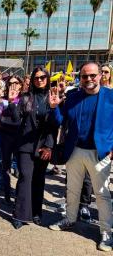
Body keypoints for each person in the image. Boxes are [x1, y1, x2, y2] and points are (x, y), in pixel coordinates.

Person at [48, 62, 113, 252]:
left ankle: (106, 234)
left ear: (101, 75)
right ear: (80, 78)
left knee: (102, 195)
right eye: (85, 76)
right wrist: (54, 107)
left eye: (92, 75)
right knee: (72, 189)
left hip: (100, 153)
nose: (89, 79)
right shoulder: (74, 97)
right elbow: (61, 121)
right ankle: (69, 219)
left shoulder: (110, 97)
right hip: (75, 150)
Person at [11, 67, 55, 229]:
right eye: (36, 78)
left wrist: (49, 146)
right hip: (25, 145)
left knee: (38, 180)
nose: (39, 80)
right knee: (25, 177)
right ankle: (20, 214)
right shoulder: (25, 97)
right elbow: (16, 119)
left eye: (43, 77)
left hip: (43, 146)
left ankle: (36, 212)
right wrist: (12, 102)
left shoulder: (52, 97)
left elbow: (54, 126)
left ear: (47, 78)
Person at [0, 75, 23, 204]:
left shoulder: (25, 99)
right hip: (5, 136)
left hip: (20, 137)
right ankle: (7, 194)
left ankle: (19, 194)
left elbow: (19, 121)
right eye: (10, 83)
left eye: (16, 83)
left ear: (21, 85)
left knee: (21, 167)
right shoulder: (2, 100)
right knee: (4, 166)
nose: (13, 85)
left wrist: (12, 104)